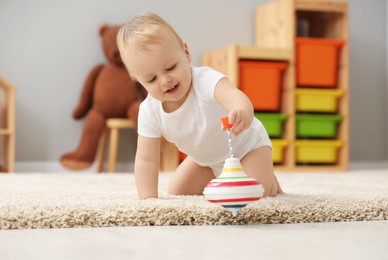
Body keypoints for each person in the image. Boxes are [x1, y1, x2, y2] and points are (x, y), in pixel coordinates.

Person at [117, 13, 282, 199]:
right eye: (151, 79)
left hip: (247, 150)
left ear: (185, 52)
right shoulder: (149, 111)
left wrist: (241, 109)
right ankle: (223, 179)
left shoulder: (204, 81)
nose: (165, 80)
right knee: (178, 192)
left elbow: (233, 96)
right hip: (205, 162)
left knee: (252, 194)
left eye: (170, 67)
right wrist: (148, 198)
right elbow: (146, 160)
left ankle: (271, 183)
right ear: (138, 80)